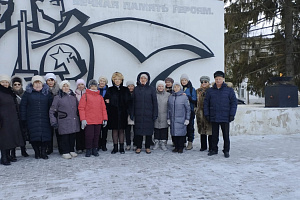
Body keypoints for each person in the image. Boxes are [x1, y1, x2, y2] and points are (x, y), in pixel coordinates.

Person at [204, 71, 237, 158]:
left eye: (220, 79)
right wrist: (207, 114)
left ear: (223, 79)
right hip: (214, 116)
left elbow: (234, 103)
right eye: (216, 79)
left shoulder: (229, 90)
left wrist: (232, 114)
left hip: (225, 116)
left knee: (226, 135)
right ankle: (214, 149)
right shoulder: (210, 91)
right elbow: (206, 103)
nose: (218, 80)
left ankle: (226, 150)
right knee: (214, 135)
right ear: (214, 80)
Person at [20, 75, 53, 159]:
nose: (38, 85)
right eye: (36, 83)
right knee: (34, 137)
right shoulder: (28, 93)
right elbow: (23, 106)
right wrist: (23, 118)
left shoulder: (47, 93)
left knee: (45, 137)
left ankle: (43, 152)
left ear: (42, 84)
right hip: (32, 118)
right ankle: (37, 152)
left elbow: (51, 106)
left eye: (39, 83)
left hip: (45, 118)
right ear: (32, 84)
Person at [49, 80, 80, 159]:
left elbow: (77, 108)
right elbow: (52, 110)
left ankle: (71, 150)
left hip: (73, 119)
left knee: (72, 136)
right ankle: (65, 151)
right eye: (64, 86)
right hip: (63, 120)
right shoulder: (58, 97)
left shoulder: (73, 96)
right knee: (64, 137)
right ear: (61, 87)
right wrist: (53, 121)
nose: (66, 88)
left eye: (67, 86)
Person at [78, 79, 108, 157]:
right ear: (89, 86)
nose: (94, 87)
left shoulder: (100, 97)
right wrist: (83, 119)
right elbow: (81, 108)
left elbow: (103, 109)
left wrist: (105, 119)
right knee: (89, 136)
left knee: (96, 135)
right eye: (92, 86)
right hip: (89, 120)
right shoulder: (85, 96)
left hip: (98, 120)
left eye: (95, 86)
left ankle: (95, 148)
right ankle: (88, 149)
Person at [0, 75, 24, 165]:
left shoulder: (10, 91)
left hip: (12, 118)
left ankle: (8, 155)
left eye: (6, 82)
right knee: (4, 139)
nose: (5, 84)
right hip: (3, 119)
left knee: (10, 138)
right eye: (3, 82)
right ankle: (4, 157)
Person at [105, 72, 131, 154]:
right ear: (113, 80)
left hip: (123, 113)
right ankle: (115, 147)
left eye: (119, 79)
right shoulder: (110, 89)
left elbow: (128, 101)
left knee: (121, 131)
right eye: (115, 79)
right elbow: (106, 100)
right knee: (114, 130)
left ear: (121, 80)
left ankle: (122, 147)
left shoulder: (125, 89)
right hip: (113, 113)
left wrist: (127, 111)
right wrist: (109, 103)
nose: (117, 81)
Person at [132, 72, 158, 154]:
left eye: (145, 78)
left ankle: (147, 147)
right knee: (138, 131)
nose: (143, 80)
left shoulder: (151, 89)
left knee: (149, 132)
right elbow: (132, 102)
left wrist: (155, 114)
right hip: (138, 113)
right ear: (139, 79)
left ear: (147, 80)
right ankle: (139, 147)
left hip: (148, 114)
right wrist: (132, 113)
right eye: (141, 78)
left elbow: (155, 103)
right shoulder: (136, 89)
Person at [167, 82, 191, 153]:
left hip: (181, 119)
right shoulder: (170, 97)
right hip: (173, 119)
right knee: (174, 133)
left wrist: (187, 119)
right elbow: (168, 109)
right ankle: (176, 147)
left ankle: (180, 147)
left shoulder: (184, 97)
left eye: (177, 87)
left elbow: (188, 109)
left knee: (181, 134)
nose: (176, 88)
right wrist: (168, 118)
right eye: (175, 87)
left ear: (180, 88)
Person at [11, 76, 29, 157]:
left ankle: (23, 150)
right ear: (13, 86)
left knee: (23, 134)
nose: (17, 86)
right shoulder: (10, 94)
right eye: (15, 84)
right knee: (13, 135)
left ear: (21, 85)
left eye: (19, 84)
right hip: (13, 118)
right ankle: (13, 153)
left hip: (23, 117)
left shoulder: (25, 94)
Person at [44, 73, 61, 155]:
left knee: (59, 131)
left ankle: (61, 147)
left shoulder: (59, 90)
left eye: (52, 80)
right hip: (47, 112)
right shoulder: (44, 90)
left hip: (58, 113)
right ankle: (49, 148)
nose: (50, 82)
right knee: (49, 132)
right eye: (48, 80)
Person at [180, 74, 197, 150]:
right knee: (182, 127)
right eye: (182, 80)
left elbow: (194, 99)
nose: (183, 82)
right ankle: (182, 142)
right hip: (181, 111)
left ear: (187, 81)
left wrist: (187, 96)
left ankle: (190, 142)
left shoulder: (191, 89)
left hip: (190, 111)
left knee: (190, 127)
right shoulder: (179, 88)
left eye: (185, 80)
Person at [195, 76, 212, 152]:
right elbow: (194, 101)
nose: (203, 83)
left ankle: (211, 146)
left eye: (205, 82)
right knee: (202, 130)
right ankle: (203, 146)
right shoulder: (198, 91)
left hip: (209, 112)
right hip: (200, 113)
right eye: (202, 82)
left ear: (208, 82)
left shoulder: (211, 91)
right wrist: (196, 110)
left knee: (210, 130)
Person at [153, 80, 170, 151]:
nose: (160, 87)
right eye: (159, 86)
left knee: (164, 129)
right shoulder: (154, 94)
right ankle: (156, 142)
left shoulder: (168, 95)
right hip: (156, 114)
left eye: (162, 86)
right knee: (156, 129)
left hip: (165, 114)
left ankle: (163, 143)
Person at [75, 79, 86, 154]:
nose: (80, 86)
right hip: (77, 114)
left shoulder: (88, 93)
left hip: (86, 114)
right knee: (78, 132)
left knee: (86, 131)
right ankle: (79, 147)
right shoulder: (74, 94)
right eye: (79, 85)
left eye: (82, 84)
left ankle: (85, 146)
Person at [98, 76, 109, 151]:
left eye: (103, 81)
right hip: (97, 112)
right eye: (101, 81)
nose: (102, 82)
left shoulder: (108, 90)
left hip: (106, 111)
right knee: (98, 129)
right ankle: (98, 144)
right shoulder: (96, 90)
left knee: (105, 130)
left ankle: (104, 144)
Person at [125, 80, 135, 151]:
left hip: (135, 114)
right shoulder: (125, 94)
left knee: (135, 130)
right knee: (127, 131)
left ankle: (135, 143)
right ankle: (128, 144)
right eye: (129, 86)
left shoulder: (136, 94)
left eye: (132, 86)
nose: (131, 87)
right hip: (126, 114)